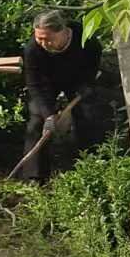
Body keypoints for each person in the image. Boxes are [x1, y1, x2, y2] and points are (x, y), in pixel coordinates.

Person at [18, 9, 118, 181]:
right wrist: (49, 116)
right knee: (36, 122)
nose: (43, 43)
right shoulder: (32, 49)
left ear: (63, 31)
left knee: (89, 115)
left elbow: (93, 62)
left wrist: (86, 84)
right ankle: (34, 177)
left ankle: (91, 167)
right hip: (47, 83)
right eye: (39, 38)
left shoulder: (85, 38)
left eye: (48, 38)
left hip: (78, 79)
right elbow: (34, 84)